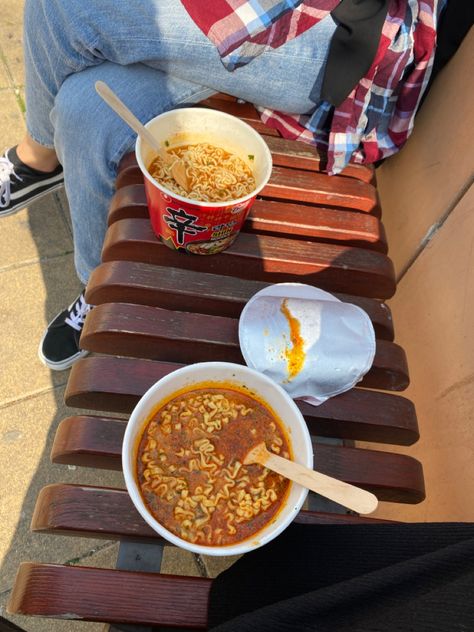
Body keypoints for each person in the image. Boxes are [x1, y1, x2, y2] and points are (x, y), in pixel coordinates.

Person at [0, 0, 445, 371]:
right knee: (86, 109)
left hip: (330, 29)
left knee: (66, 8)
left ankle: (38, 159)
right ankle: (102, 285)